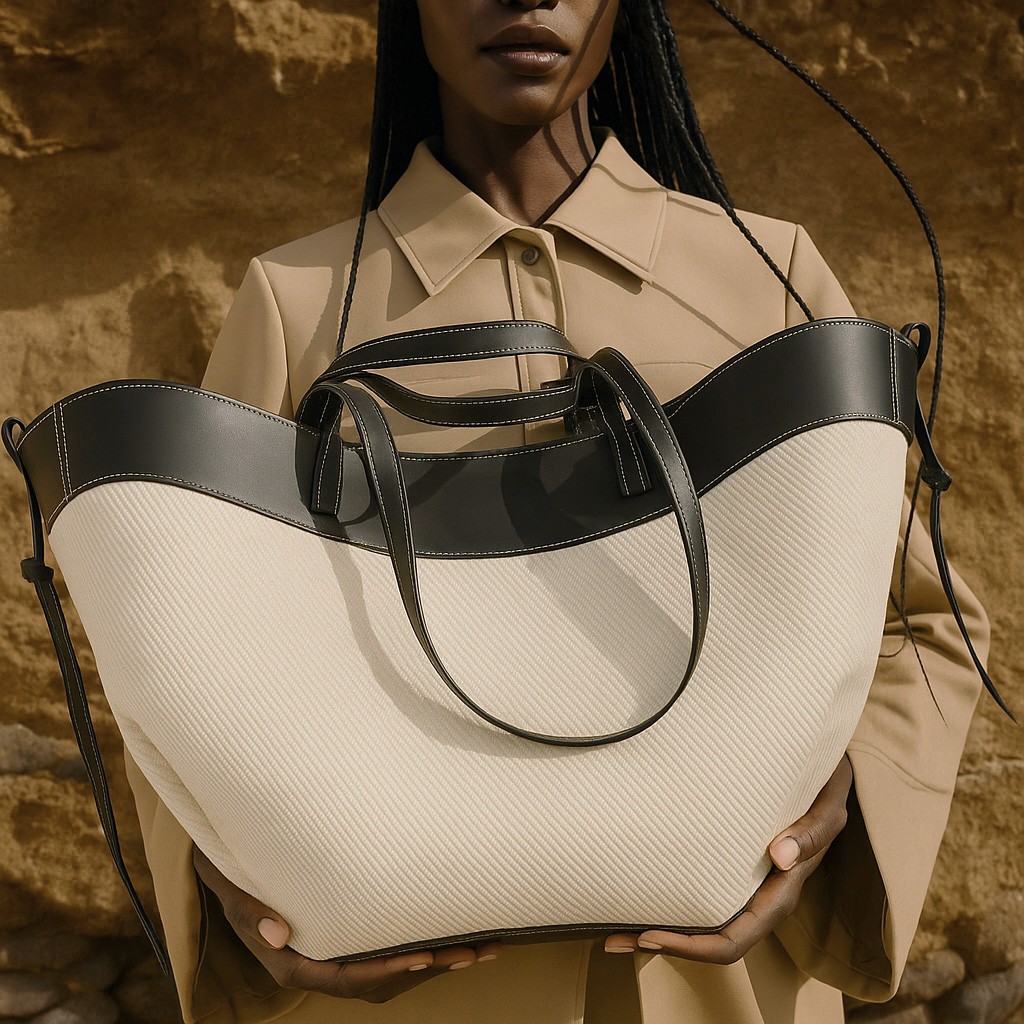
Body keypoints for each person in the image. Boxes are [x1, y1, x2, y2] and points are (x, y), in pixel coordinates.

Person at [120, 0, 992, 1021]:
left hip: (715, 993)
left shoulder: (767, 277)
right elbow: (187, 663)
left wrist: (827, 820)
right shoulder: (298, 301)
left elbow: (922, 617)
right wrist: (237, 896)